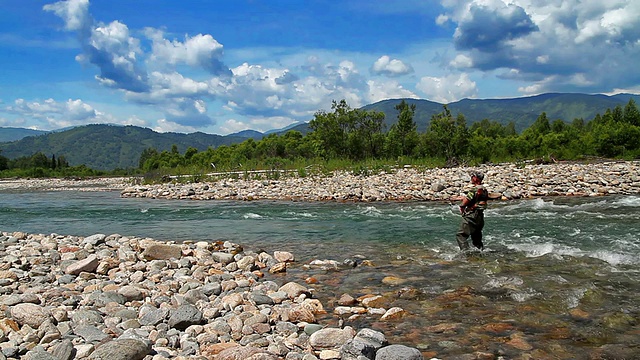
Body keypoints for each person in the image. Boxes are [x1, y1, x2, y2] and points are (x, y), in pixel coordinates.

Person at [456, 171, 489, 250]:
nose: (471, 178)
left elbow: (465, 203)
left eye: (472, 176)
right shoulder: (484, 190)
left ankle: (465, 253)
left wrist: (462, 208)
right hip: (480, 217)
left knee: (461, 235)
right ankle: (480, 253)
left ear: (476, 178)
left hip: (472, 215)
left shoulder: (474, 190)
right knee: (476, 236)